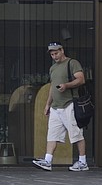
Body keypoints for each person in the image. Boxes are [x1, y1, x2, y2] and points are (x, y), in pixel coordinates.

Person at [32, 42, 89, 171]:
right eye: (52, 54)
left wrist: (66, 85)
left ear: (62, 50)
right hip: (56, 106)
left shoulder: (72, 63)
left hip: (69, 104)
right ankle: (48, 160)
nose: (54, 56)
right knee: (52, 134)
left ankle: (82, 161)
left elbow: (81, 79)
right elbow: (52, 87)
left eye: (56, 53)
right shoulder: (53, 68)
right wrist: (48, 104)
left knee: (76, 134)